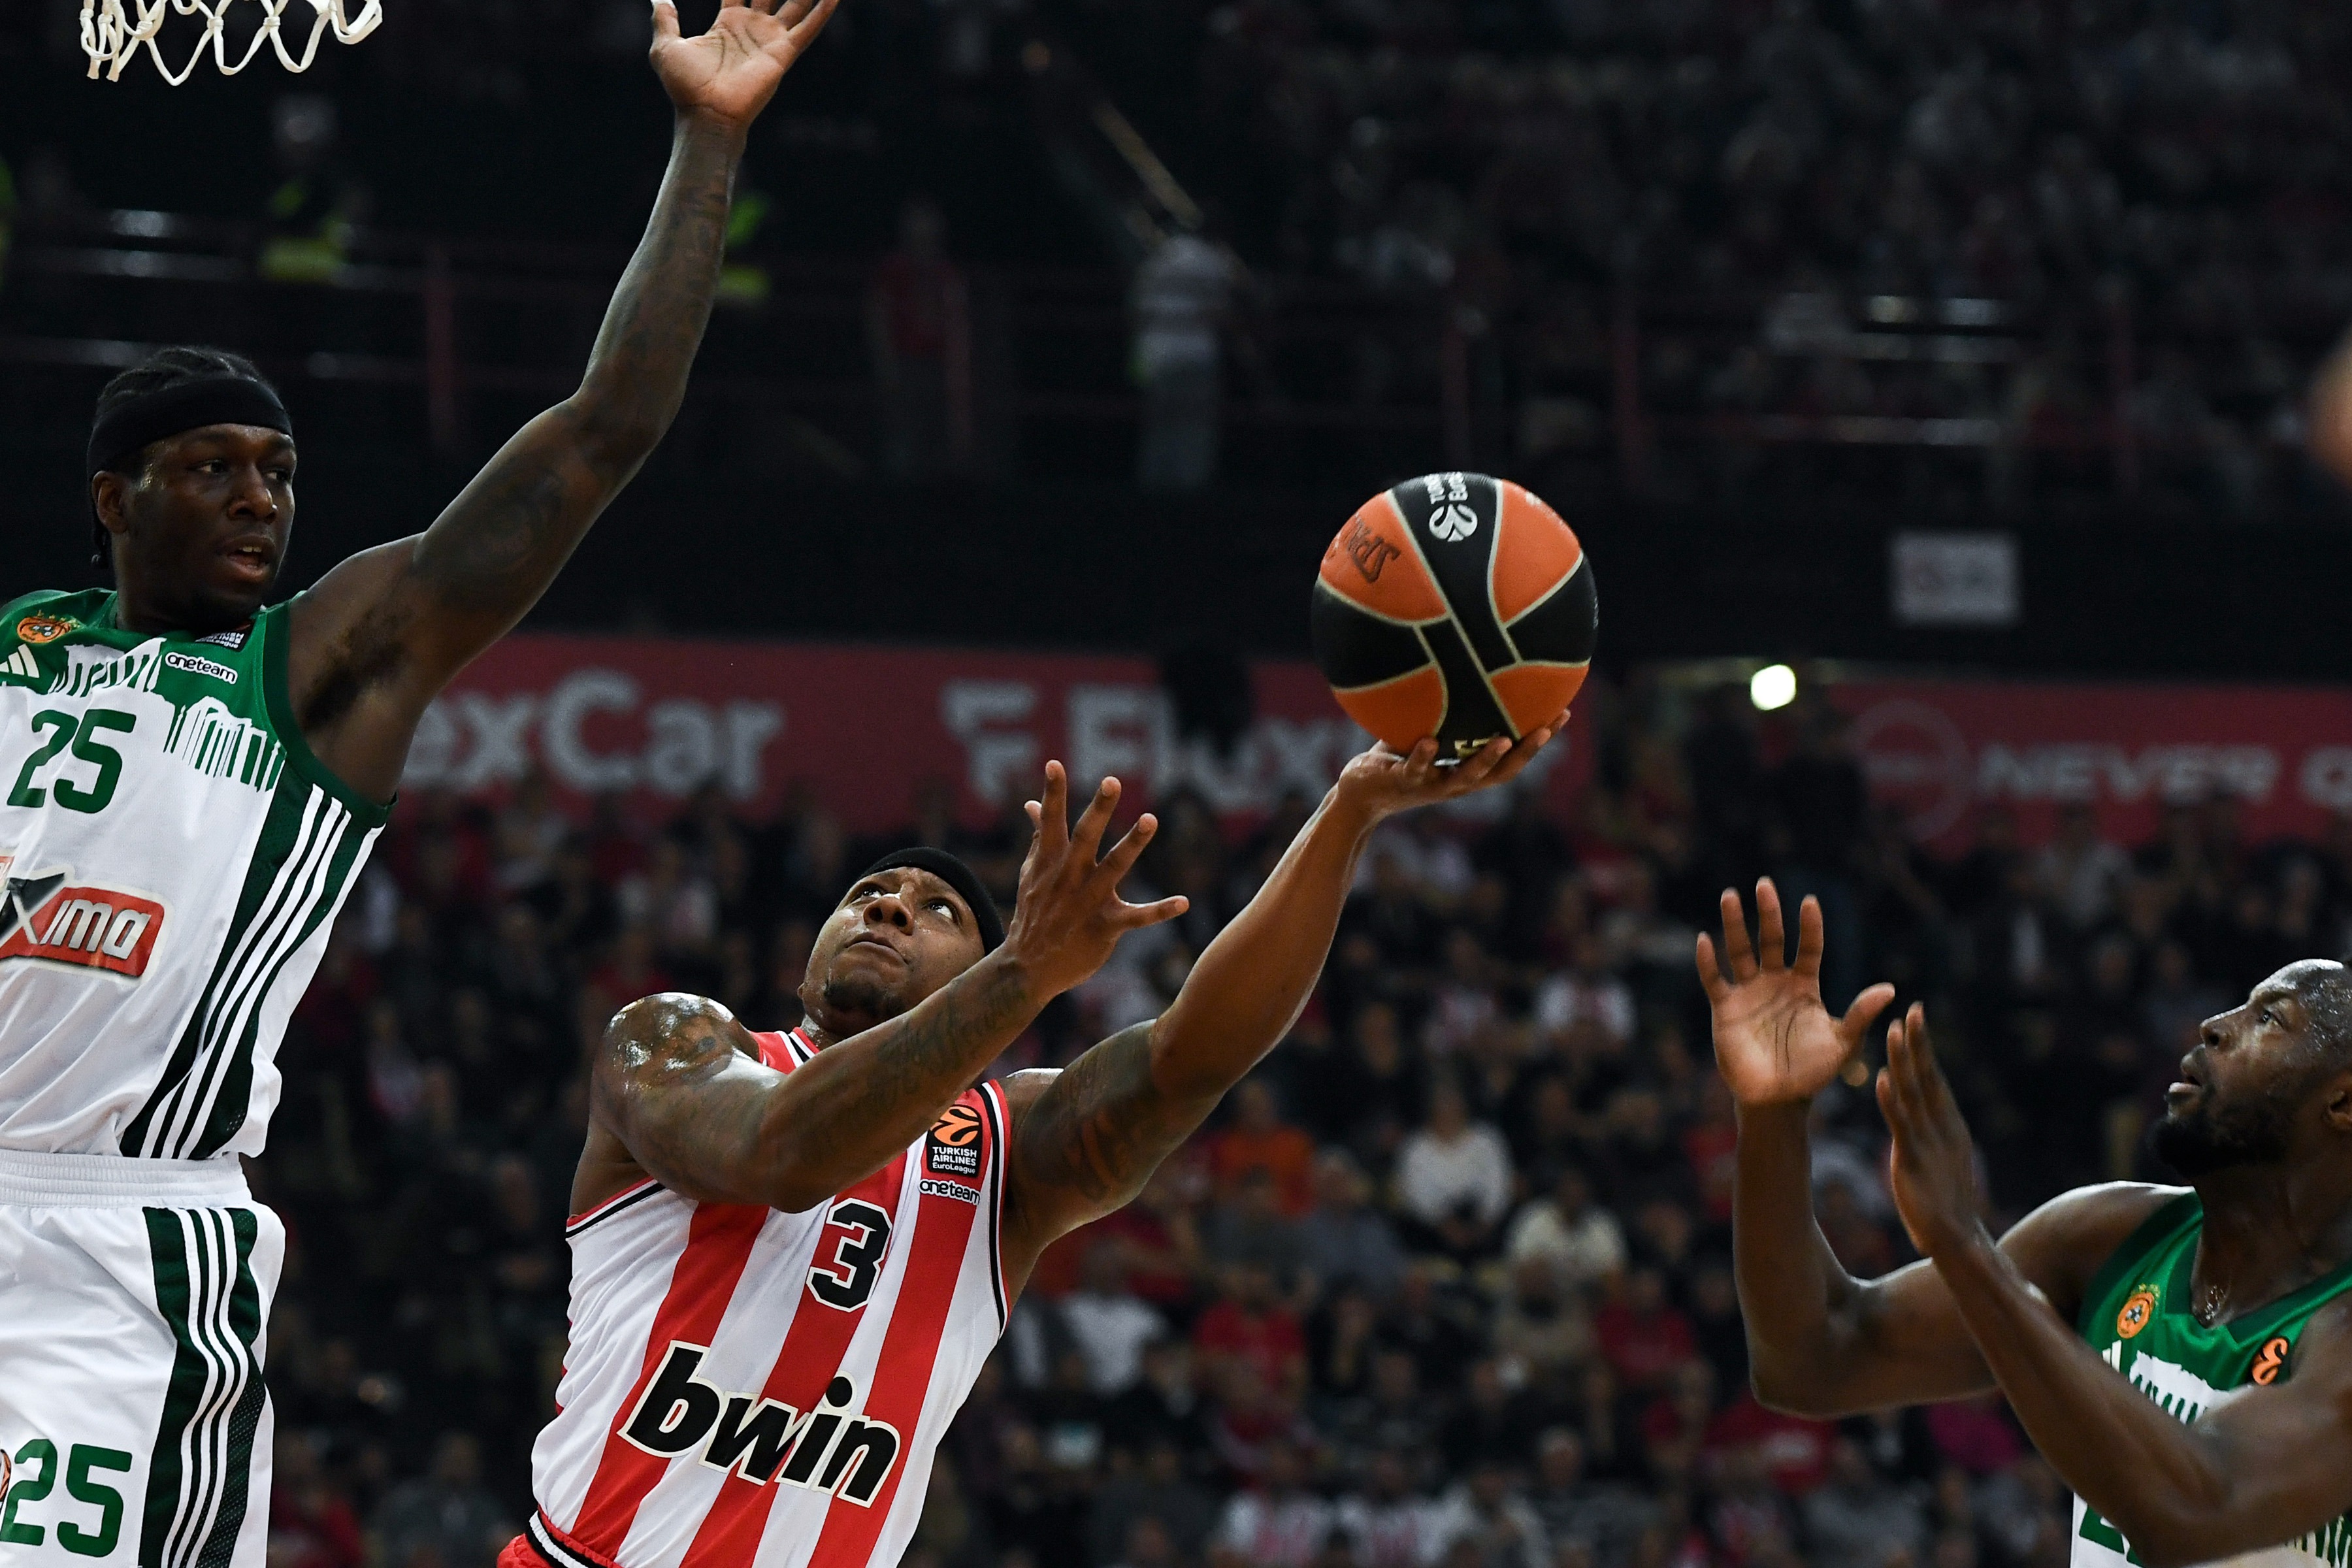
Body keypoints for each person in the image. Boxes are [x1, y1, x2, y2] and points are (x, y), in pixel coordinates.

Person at [0, 2, 838, 1563]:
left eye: (280, 470)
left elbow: (601, 435)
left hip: (114, 1237)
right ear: (114, 499)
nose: (262, 498)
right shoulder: (17, 643)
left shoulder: (317, 661)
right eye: (215, 469)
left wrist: (707, 143)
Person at [514, 723, 1562, 1568]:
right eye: (866, 896)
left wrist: (1350, 813)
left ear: (972, 972)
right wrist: (1024, 971)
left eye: (937, 911)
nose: (889, 904)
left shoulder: (1008, 1150)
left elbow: (1193, 1058)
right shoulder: (675, 1042)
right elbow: (779, 1155)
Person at [1700, 877, 2352, 1567]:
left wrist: (1963, 1246)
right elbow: (1811, 1360)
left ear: (2342, 1103)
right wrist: (1772, 1116)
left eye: (2269, 1020)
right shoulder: (2106, 1237)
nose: (2216, 1025)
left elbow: (2198, 1509)